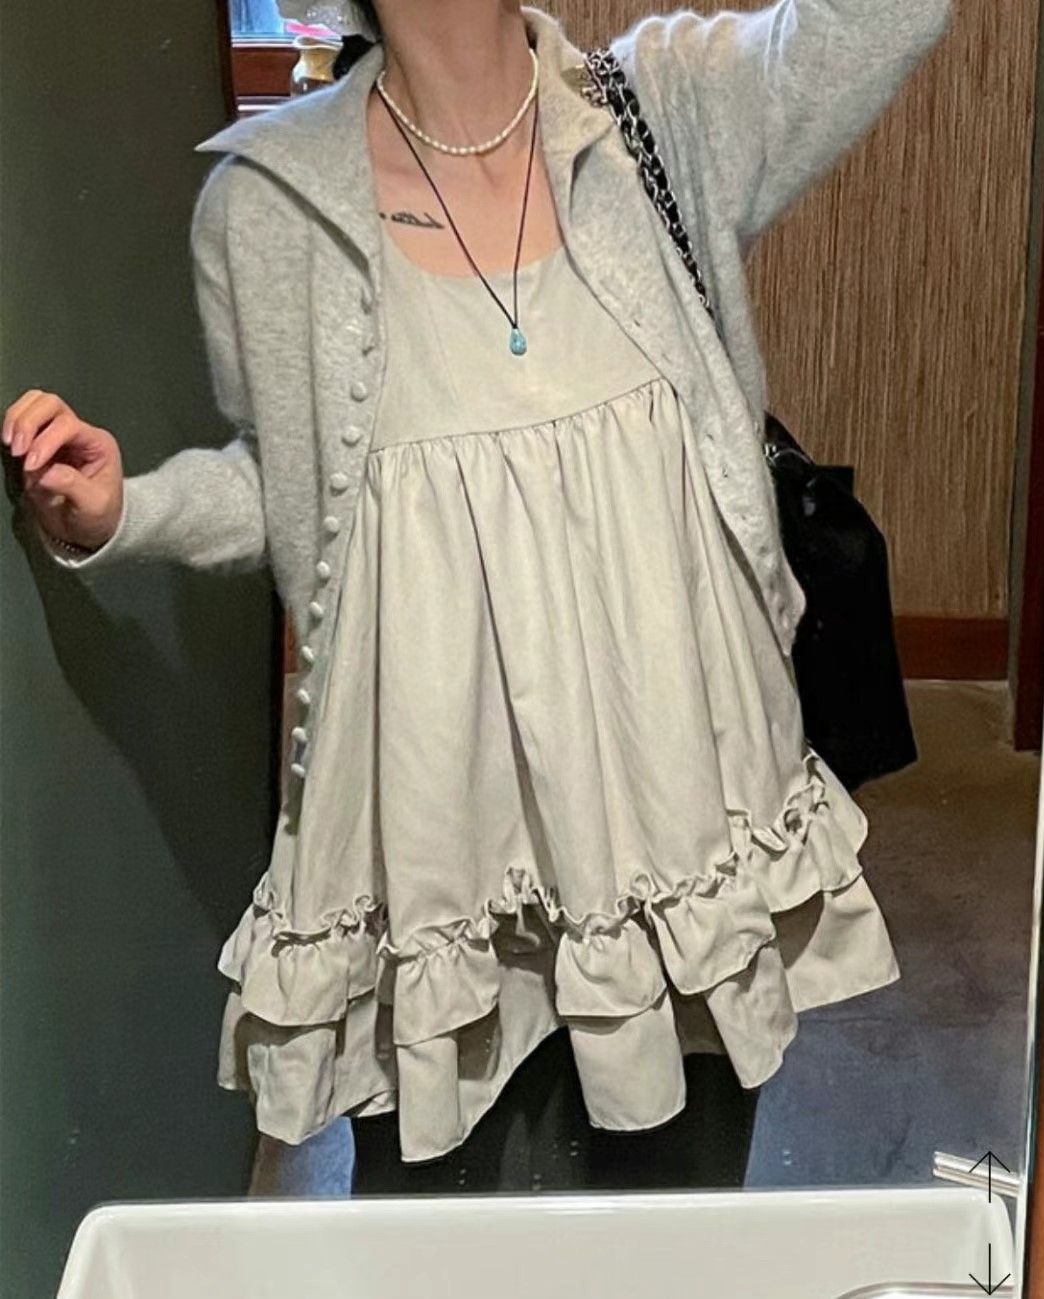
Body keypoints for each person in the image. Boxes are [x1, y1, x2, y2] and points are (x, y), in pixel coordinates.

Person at [4, 0, 952, 1192]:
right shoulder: (269, 205)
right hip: (434, 852)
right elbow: (295, 488)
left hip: (673, 827)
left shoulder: (667, 113)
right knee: (441, 1229)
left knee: (673, 1220)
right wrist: (126, 512)